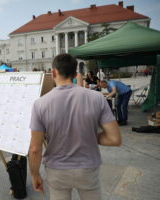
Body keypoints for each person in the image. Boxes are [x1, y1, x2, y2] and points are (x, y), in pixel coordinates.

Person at [28, 54, 121, 200]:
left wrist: (34, 174)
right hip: (87, 168)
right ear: (75, 74)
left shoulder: (40, 104)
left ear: (53, 73)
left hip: (56, 170)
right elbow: (115, 139)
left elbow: (35, 148)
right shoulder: (97, 98)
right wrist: (88, 133)